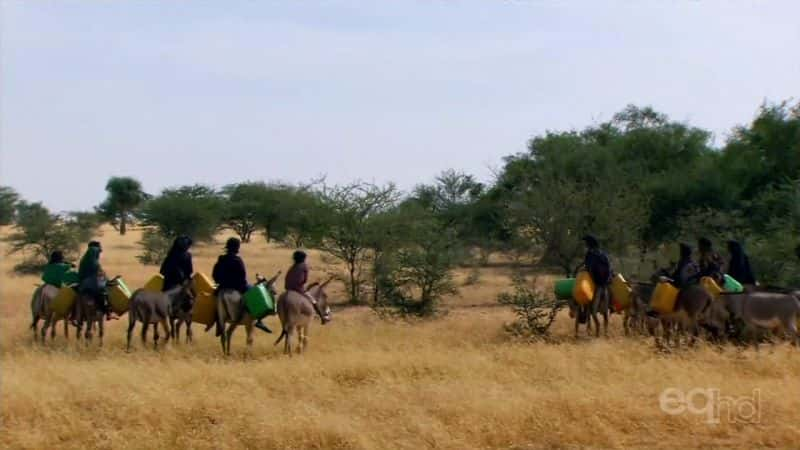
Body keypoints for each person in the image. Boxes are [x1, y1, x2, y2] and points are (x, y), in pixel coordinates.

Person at [212, 237, 271, 334]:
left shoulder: (221, 259)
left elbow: (214, 274)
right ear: (237, 248)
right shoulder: (238, 260)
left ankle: (217, 319)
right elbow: (242, 276)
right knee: (255, 292)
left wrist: (219, 283)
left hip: (221, 287)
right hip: (237, 286)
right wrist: (243, 285)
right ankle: (258, 320)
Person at [77, 241, 116, 320]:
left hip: (82, 283)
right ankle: (108, 312)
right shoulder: (95, 261)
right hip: (92, 283)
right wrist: (108, 281)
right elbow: (100, 273)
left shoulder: (84, 259)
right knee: (105, 293)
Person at [160, 236, 194, 311]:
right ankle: (188, 311)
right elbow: (190, 271)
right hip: (181, 282)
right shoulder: (187, 255)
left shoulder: (170, 255)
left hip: (167, 284)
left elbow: (162, 271)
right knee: (192, 296)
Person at [582, 235, 612, 314]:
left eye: (586, 243)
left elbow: (587, 267)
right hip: (604, 281)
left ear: (589, 244)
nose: (585, 245)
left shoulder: (589, 254)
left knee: (582, 293)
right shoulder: (603, 253)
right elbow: (609, 266)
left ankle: (585, 311)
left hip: (594, 280)